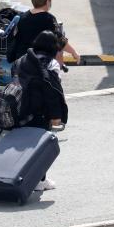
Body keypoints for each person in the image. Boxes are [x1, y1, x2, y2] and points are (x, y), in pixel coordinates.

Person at [16, 30, 68, 190]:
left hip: (22, 108)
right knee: (40, 147)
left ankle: (22, 175)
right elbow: (52, 92)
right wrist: (56, 116)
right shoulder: (50, 65)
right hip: (40, 111)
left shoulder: (23, 60)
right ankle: (39, 180)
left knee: (24, 146)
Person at [8, 0, 81, 66]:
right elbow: (59, 40)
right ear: (48, 2)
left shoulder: (23, 17)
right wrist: (74, 52)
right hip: (39, 64)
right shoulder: (48, 19)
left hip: (21, 62)